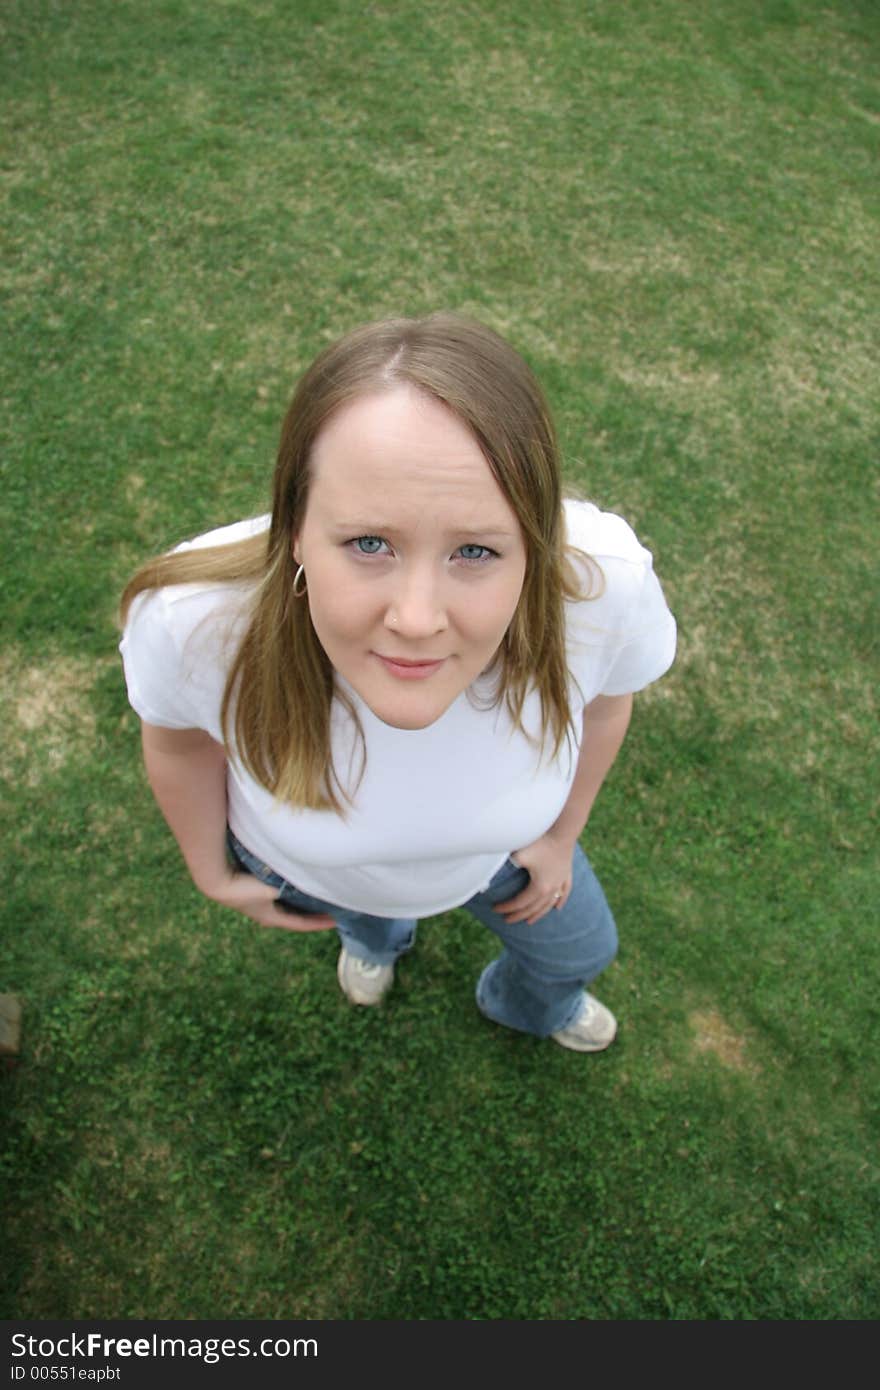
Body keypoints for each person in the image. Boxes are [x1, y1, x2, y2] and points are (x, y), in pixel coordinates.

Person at [119, 312, 676, 1053]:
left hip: (502, 859)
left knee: (577, 953)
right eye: (369, 544)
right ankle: (375, 942)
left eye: (475, 550)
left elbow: (606, 706)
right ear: (292, 529)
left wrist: (559, 834)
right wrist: (211, 872)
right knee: (368, 915)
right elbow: (182, 748)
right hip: (319, 874)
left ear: (534, 549)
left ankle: (528, 1004)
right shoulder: (193, 625)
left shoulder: (601, 590)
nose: (416, 619)